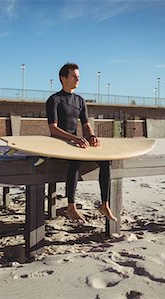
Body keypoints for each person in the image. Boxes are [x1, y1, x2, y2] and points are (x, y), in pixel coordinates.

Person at [46, 62, 118, 223]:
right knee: (75, 160)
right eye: (74, 77)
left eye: (78, 77)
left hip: (74, 142)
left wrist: (91, 136)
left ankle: (104, 204)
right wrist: (75, 138)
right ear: (63, 78)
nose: (77, 80)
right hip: (59, 144)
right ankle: (71, 206)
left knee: (105, 161)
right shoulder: (54, 100)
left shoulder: (80, 100)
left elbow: (85, 124)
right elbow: (53, 129)